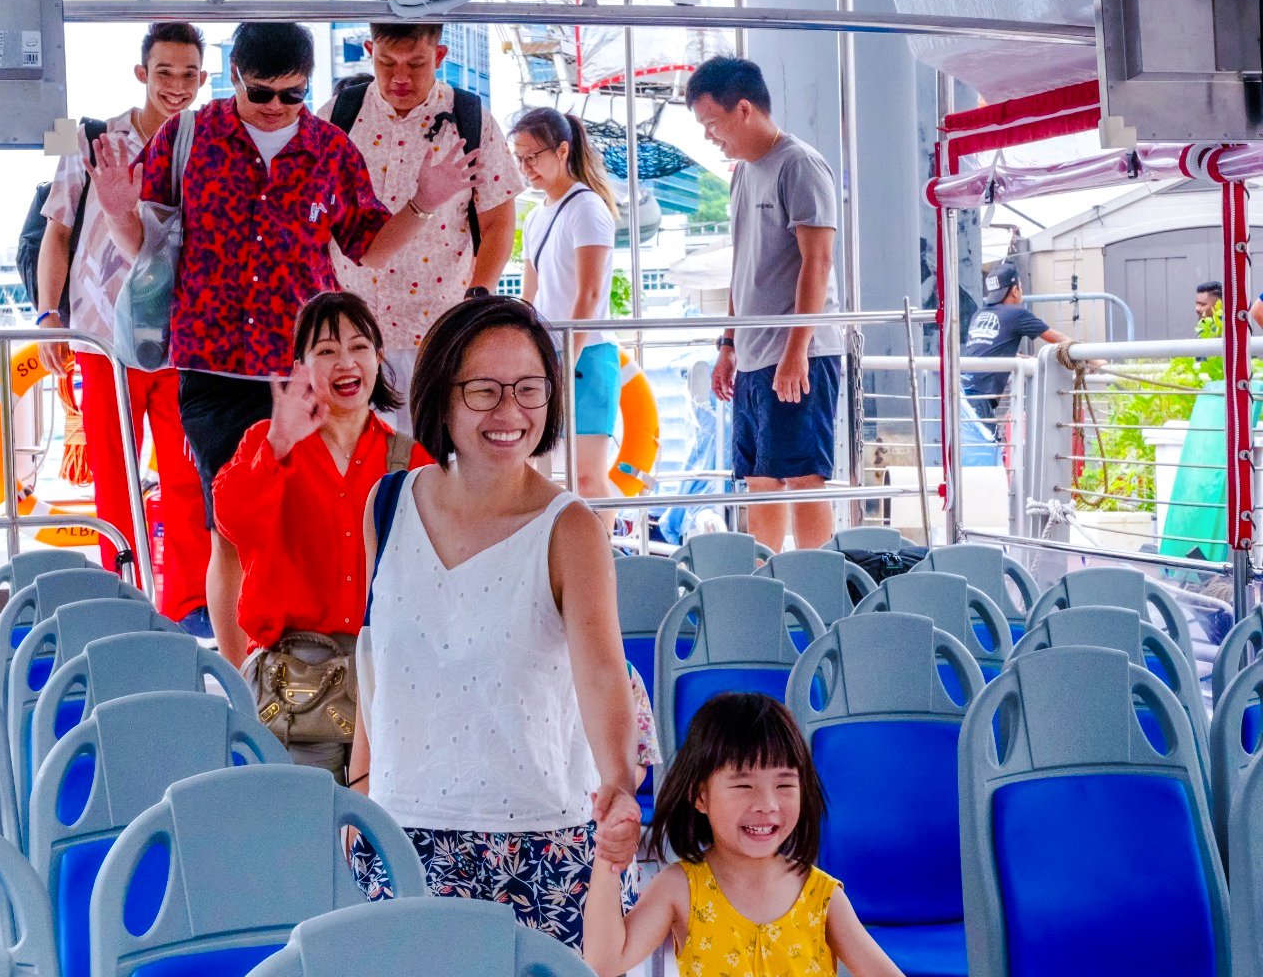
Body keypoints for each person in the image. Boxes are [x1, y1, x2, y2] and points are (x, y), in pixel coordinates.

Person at [88, 21, 478, 666]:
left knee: (320, 518)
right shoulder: (188, 137)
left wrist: (423, 203)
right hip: (214, 369)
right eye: (260, 91)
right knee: (232, 530)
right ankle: (245, 676)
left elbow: (368, 247)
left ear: (310, 86)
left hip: (306, 370)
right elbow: (147, 254)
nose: (275, 106)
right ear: (234, 74)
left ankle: (321, 662)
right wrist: (118, 211)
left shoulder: (331, 150)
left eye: (292, 94)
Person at [349, 295, 640, 949]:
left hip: (541, 852)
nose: (510, 412)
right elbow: (376, 656)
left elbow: (601, 677)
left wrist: (620, 783)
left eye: (529, 389)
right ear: (440, 396)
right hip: (401, 841)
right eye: (483, 390)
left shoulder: (570, 530)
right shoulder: (388, 504)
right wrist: (360, 787)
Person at [33, 21, 212, 632]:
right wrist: (49, 316)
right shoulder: (87, 139)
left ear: (204, 78)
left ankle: (189, 604)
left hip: (182, 341)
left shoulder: (210, 145)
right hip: (101, 336)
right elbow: (56, 232)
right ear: (142, 73)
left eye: (189, 74)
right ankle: (122, 596)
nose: (177, 85)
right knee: (114, 475)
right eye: (165, 72)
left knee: (190, 479)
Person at [211, 292, 432, 778]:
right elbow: (232, 522)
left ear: (378, 358)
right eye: (327, 351)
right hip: (293, 689)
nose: (346, 362)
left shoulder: (412, 461)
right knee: (301, 835)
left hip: (390, 678)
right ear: (301, 368)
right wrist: (279, 443)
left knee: (379, 843)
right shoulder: (267, 444)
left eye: (359, 347)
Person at [583, 693, 904, 977]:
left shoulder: (823, 896)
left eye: (784, 785)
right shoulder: (680, 888)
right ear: (700, 796)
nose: (767, 804)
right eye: (743, 786)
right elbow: (605, 962)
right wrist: (609, 855)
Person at [325, 21, 522, 430]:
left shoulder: (470, 121)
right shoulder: (338, 117)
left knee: (433, 457)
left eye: (415, 63)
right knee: (357, 463)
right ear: (368, 50)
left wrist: (478, 294)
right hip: (351, 335)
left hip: (437, 329)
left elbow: (499, 223)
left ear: (439, 55)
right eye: (386, 62)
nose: (400, 77)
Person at [688, 56, 845, 552]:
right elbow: (743, 264)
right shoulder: (742, 173)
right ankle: (765, 583)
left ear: (743, 109)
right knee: (758, 477)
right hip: (755, 352)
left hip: (801, 352)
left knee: (802, 476)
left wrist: (797, 349)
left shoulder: (798, 163)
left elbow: (816, 262)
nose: (711, 136)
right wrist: (728, 343)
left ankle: (815, 588)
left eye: (712, 123)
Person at [510, 107, 620, 505]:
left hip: (586, 355)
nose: (526, 168)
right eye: (519, 159)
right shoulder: (536, 216)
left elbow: (588, 295)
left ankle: (601, 562)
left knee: (588, 477)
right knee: (546, 475)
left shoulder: (587, 207)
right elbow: (530, 296)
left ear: (561, 150)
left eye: (533, 157)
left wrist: (564, 360)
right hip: (549, 354)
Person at [962, 261, 1067, 421]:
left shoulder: (979, 314)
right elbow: (1060, 341)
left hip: (961, 393)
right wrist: (1097, 360)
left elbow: (995, 352)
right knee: (982, 445)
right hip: (979, 399)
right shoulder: (1016, 314)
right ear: (1015, 290)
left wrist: (1033, 361)